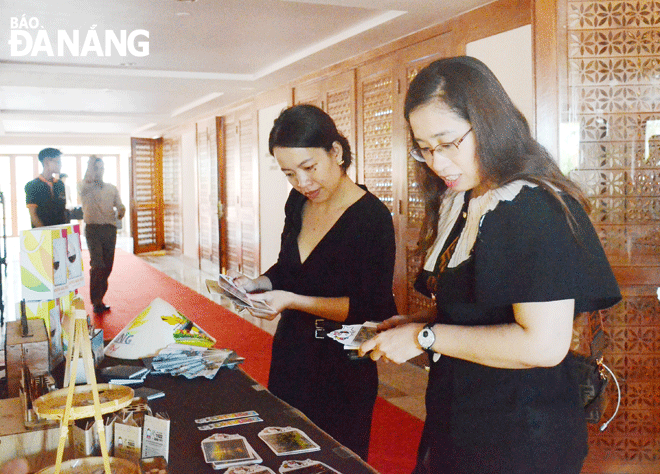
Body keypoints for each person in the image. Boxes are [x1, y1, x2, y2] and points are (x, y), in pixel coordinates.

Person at [359, 56, 622, 474]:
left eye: (448, 143)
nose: (437, 162)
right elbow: (483, 304)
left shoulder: (531, 204)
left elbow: (542, 345)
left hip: (520, 433)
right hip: (463, 413)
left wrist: (427, 336)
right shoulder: (465, 199)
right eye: (425, 148)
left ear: (488, 123)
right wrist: (416, 322)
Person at [235, 104, 397, 460]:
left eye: (309, 168)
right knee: (285, 451)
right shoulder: (298, 202)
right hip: (292, 351)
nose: (302, 183)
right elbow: (289, 267)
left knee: (336, 460)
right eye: (290, 174)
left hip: (343, 362)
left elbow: (366, 308)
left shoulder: (371, 218)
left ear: (336, 152)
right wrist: (258, 282)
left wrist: (292, 300)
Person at [80, 156, 126, 314]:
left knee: (107, 266)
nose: (100, 171)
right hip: (93, 230)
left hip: (109, 229)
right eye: (96, 168)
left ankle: (100, 296)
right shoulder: (84, 187)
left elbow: (119, 205)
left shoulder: (111, 188)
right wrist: (90, 167)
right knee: (97, 264)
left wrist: (121, 211)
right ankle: (96, 301)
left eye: (101, 168)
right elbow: (86, 182)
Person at [25, 148, 67, 227]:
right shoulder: (32, 185)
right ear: (47, 161)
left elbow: (62, 211)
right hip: (42, 234)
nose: (60, 165)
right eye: (58, 162)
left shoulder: (60, 184)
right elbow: (33, 216)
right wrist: (46, 234)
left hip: (60, 232)